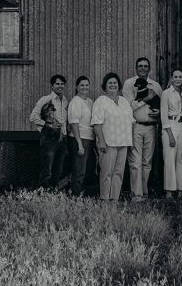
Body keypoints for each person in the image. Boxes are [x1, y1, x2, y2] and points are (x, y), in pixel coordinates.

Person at [122, 57, 163, 201]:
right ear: (136, 68)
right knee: (135, 161)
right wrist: (145, 99)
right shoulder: (129, 84)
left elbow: (161, 105)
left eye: (146, 66)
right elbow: (128, 107)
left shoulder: (156, 86)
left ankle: (145, 192)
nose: (143, 68)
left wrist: (159, 113)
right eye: (140, 66)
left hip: (152, 127)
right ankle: (136, 195)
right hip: (135, 126)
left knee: (147, 163)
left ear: (149, 68)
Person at [91, 72, 134, 201]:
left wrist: (130, 141)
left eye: (115, 83)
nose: (113, 85)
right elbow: (96, 123)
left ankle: (114, 200)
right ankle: (104, 200)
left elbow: (131, 121)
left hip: (123, 142)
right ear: (105, 86)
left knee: (119, 173)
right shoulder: (101, 101)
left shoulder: (124, 101)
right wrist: (102, 142)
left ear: (118, 85)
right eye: (110, 83)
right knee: (106, 173)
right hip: (108, 143)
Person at [29, 74, 68, 189]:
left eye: (62, 84)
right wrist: (48, 124)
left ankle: (53, 194)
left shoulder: (65, 101)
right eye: (57, 84)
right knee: (47, 169)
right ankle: (43, 195)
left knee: (58, 170)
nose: (60, 86)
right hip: (49, 139)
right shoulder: (45, 99)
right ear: (52, 86)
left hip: (62, 138)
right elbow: (33, 117)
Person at [67, 76, 96, 197]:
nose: (84, 87)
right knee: (79, 171)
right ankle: (75, 196)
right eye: (82, 85)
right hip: (79, 139)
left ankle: (84, 195)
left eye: (86, 85)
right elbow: (74, 123)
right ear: (76, 87)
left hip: (90, 139)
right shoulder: (75, 101)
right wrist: (79, 144)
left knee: (89, 169)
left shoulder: (90, 101)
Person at [160, 69, 182, 198]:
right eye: (175, 76)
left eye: (180, 77)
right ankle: (169, 191)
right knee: (169, 159)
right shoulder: (166, 93)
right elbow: (163, 115)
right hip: (169, 126)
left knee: (181, 159)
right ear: (171, 78)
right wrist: (169, 134)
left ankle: (181, 190)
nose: (178, 79)